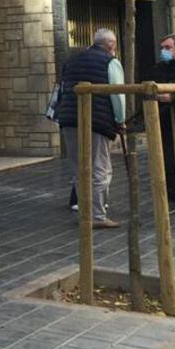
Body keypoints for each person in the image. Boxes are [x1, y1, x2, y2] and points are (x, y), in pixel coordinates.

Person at [55, 28, 125, 229]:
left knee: (79, 169)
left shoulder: (72, 60)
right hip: (97, 121)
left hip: (69, 119)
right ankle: (97, 215)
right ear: (111, 45)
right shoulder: (111, 62)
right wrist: (120, 121)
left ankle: (85, 214)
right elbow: (117, 94)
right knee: (99, 168)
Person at [151, 33, 175, 207]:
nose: (163, 51)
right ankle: (173, 197)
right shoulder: (157, 69)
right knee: (167, 160)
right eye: (162, 48)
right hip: (163, 121)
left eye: (168, 48)